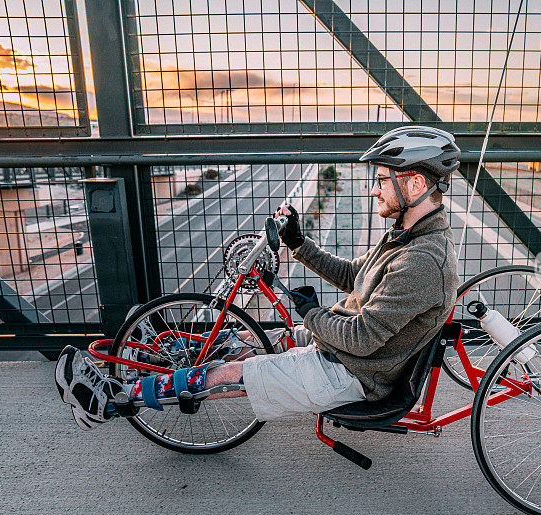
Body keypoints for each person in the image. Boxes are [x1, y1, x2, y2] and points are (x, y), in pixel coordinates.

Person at [55, 126, 461, 429]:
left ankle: (110, 401)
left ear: (415, 183)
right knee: (242, 341)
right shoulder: (408, 239)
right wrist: (300, 244)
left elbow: (362, 337)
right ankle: (152, 364)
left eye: (380, 180)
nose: (375, 190)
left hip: (354, 373)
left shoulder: (422, 262)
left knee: (233, 373)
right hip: (342, 350)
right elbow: (358, 276)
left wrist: (310, 314)